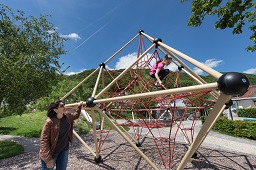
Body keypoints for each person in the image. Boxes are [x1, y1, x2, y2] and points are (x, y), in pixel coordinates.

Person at [39, 100, 83, 170]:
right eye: (62, 106)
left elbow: (76, 115)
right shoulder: (49, 122)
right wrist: (48, 159)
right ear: (55, 110)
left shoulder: (67, 116)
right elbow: (43, 140)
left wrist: (79, 106)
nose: (64, 106)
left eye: (64, 104)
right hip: (51, 152)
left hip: (63, 149)